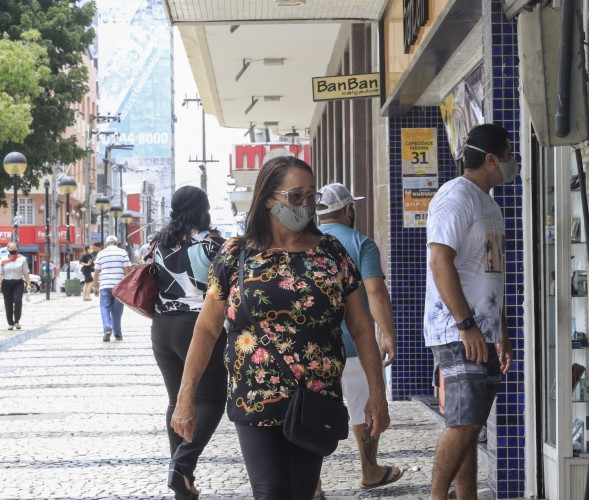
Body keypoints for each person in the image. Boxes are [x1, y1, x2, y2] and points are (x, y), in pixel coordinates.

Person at [170, 156, 390, 500]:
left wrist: (378, 395)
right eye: (295, 196)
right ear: (268, 198)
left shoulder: (331, 253)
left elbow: (362, 328)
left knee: (302, 492)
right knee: (270, 492)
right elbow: (206, 329)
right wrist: (186, 398)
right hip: (256, 396)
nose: (305, 206)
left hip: (315, 397)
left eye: (310, 197)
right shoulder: (234, 255)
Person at [423, 124, 516, 500]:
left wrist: (501, 333)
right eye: (509, 154)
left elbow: (490, 275)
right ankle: (435, 496)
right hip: (456, 331)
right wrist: (466, 325)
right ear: (491, 159)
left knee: (472, 424)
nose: (513, 162)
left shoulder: (488, 202)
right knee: (464, 423)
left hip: (483, 333)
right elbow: (439, 260)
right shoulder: (455, 196)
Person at [315, 183, 402, 495]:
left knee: (312, 414)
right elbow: (376, 292)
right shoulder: (360, 243)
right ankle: (370, 470)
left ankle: (312, 485)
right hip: (354, 346)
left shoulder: (307, 243)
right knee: (365, 409)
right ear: (349, 209)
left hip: (313, 349)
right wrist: (388, 335)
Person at [150, 186, 227, 500]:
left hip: (162, 327)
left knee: (176, 400)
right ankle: (181, 466)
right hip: (198, 325)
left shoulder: (159, 242)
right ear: (204, 208)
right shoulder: (213, 243)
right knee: (210, 399)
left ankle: (183, 482)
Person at [93, 235, 131, 342]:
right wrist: (127, 286)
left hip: (105, 285)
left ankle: (107, 328)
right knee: (117, 311)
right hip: (119, 286)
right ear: (116, 243)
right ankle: (118, 334)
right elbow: (126, 270)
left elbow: (96, 272)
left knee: (104, 307)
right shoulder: (122, 252)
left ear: (106, 243)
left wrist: (95, 287)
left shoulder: (101, 254)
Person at [0, 242, 31, 330]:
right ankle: (10, 323)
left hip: (18, 283)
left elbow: (26, 272)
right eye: (11, 248)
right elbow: (1, 273)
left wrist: (28, 283)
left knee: (17, 301)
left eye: (14, 248)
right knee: (8, 303)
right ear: (8, 249)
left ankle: (17, 321)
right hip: (6, 284)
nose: (13, 250)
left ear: (17, 249)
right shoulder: (3, 259)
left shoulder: (22, 260)